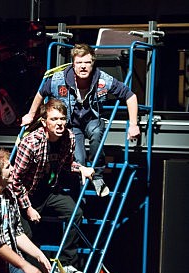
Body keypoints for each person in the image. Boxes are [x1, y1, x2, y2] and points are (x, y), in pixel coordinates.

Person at [22, 43, 140, 197]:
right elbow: (40, 93)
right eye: (79, 63)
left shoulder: (102, 79)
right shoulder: (59, 79)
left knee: (96, 133)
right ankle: (80, 193)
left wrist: (133, 125)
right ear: (73, 64)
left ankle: (97, 177)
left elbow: (130, 96)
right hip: (73, 124)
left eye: (87, 62)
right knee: (78, 157)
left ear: (93, 63)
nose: (83, 66)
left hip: (93, 120)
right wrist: (31, 115)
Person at [12, 98, 95, 273]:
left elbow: (66, 165)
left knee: (75, 213)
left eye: (62, 119)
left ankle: (66, 263)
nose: (59, 123)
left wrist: (81, 168)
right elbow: (14, 181)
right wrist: (28, 208)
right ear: (44, 122)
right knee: (27, 235)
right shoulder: (31, 143)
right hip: (25, 195)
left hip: (48, 191)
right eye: (54, 119)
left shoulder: (69, 138)